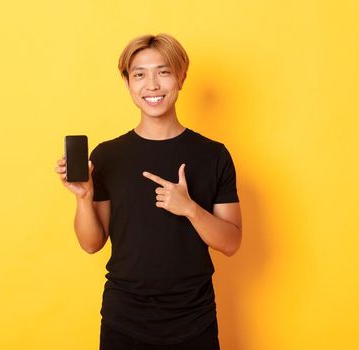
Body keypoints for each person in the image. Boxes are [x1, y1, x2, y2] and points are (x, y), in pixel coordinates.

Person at [53, 33, 242, 349]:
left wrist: (190, 208)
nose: (152, 85)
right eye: (139, 74)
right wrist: (83, 196)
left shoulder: (213, 155)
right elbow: (91, 243)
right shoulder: (107, 156)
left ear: (181, 78)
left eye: (163, 72)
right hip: (124, 320)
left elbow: (232, 242)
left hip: (194, 319)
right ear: (127, 83)